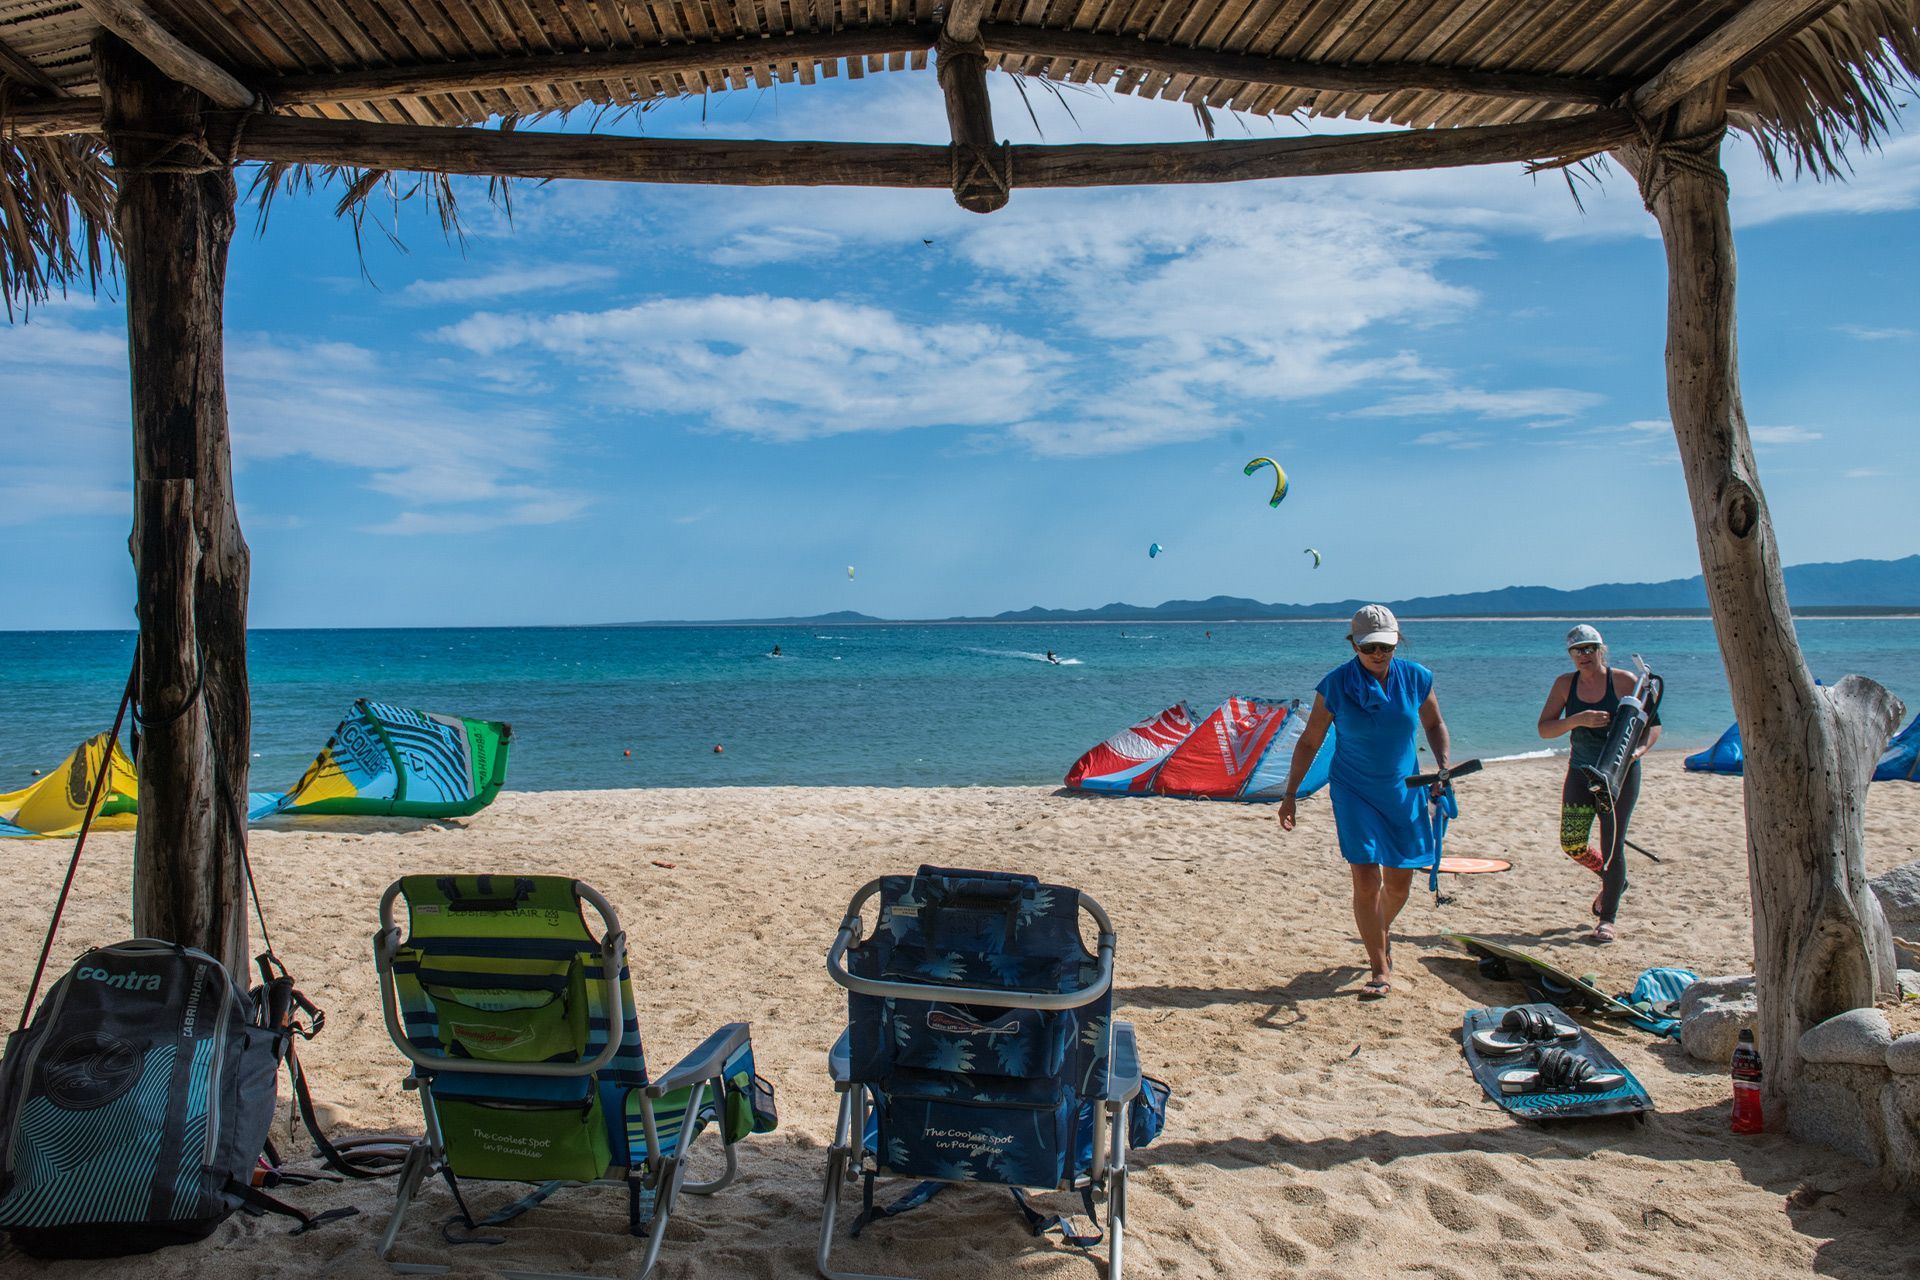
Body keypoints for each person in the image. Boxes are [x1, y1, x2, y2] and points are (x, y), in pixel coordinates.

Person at [1277, 605, 1452, 999]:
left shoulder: (1417, 678)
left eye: (1385, 647)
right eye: (1368, 646)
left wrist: (1442, 767)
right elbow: (1309, 741)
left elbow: (1435, 724)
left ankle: (1379, 930)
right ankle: (1379, 966)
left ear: (1397, 641)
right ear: (1353, 643)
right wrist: (1290, 795)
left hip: (1404, 789)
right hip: (1354, 790)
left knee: (1400, 883)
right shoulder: (1335, 685)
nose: (1377, 654)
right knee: (1366, 877)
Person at [1536, 624, 1661, 943]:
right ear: (1570, 655)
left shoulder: (1624, 681)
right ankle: (1613, 881)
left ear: (1602, 650)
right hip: (1581, 771)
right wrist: (1577, 720)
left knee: (1612, 845)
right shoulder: (1565, 684)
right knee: (1572, 841)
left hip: (1619, 774)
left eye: (1590, 648)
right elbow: (1545, 729)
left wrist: (1638, 751)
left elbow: (1653, 727)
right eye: (1578, 650)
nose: (1584, 655)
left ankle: (1608, 919)